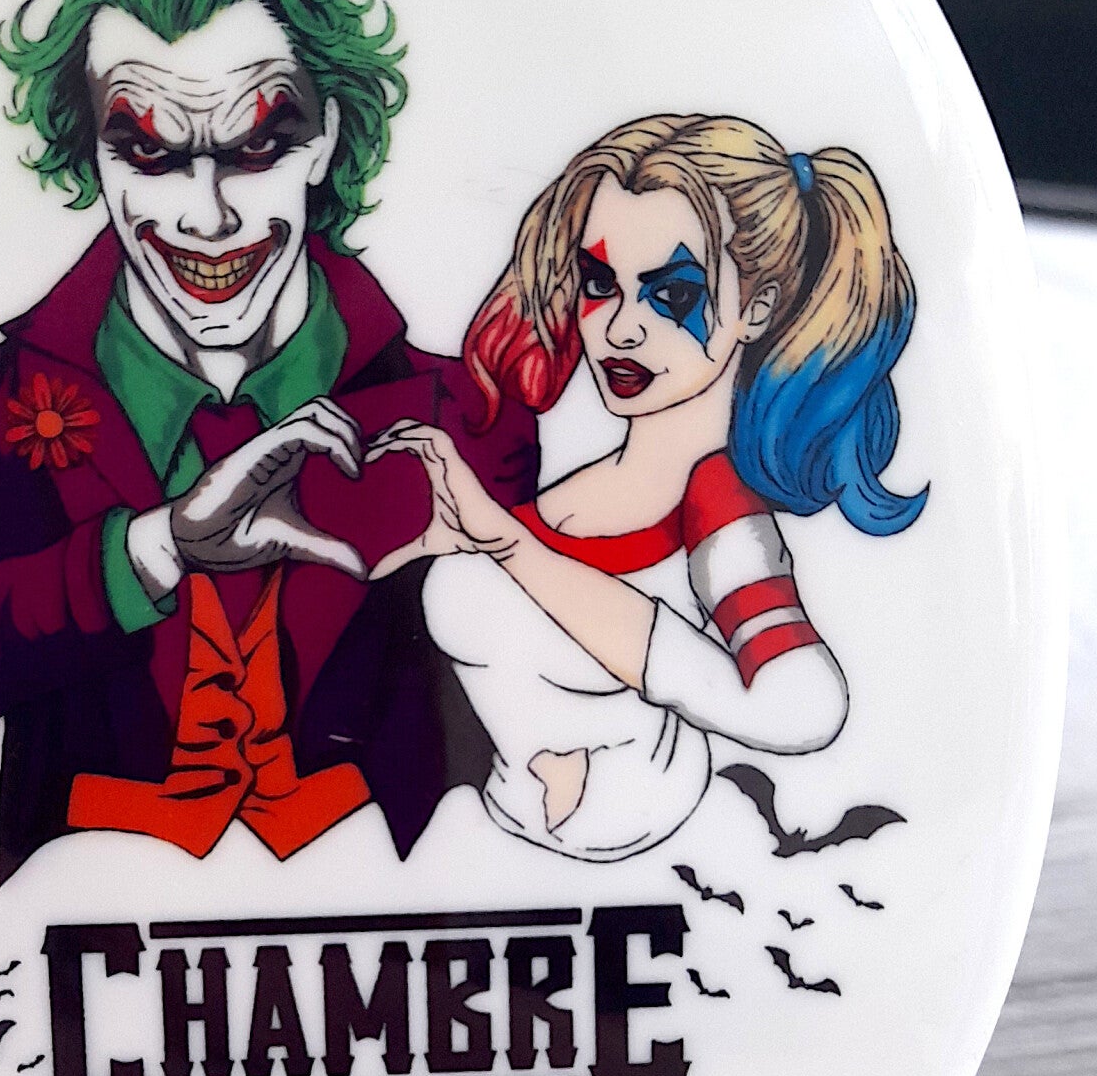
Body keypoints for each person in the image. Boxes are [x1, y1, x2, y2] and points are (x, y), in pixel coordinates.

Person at [0, 0, 534, 879]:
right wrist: (150, 551)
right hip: (79, 944)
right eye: (150, 152)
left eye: (257, 146)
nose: (207, 218)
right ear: (91, 149)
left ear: (328, 135)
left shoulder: (466, 414)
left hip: (400, 942)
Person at [371, 114, 924, 861]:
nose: (621, 328)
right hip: (485, 856)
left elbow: (804, 707)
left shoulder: (720, 508)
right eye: (602, 284)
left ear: (757, 309)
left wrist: (510, 550)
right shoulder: (562, 491)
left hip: (676, 881)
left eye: (673, 294)